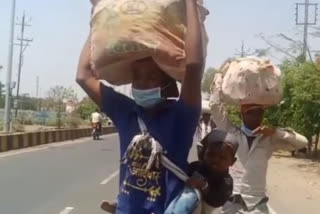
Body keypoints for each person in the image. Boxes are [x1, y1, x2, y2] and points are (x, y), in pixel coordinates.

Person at [76, 0, 204, 213]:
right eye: (137, 76)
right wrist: (97, 21)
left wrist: (190, 4)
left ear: (166, 82)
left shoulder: (181, 117)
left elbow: (193, 65)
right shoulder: (125, 111)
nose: (142, 82)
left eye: (151, 76)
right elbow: (83, 76)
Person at [209, 77, 309, 214]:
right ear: (242, 114)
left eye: (259, 113)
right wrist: (219, 81)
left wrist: (276, 132)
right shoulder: (232, 133)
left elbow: (303, 142)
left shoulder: (269, 139)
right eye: (251, 113)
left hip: (257, 204)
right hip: (232, 202)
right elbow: (215, 106)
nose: (256, 117)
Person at [101, 129, 239, 214]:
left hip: (202, 208)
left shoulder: (226, 180)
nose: (215, 160)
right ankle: (124, 205)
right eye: (211, 154)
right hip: (179, 203)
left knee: (190, 195)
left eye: (222, 157)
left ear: (232, 162)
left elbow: (217, 200)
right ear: (203, 153)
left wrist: (204, 186)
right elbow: (179, 173)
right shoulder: (197, 166)